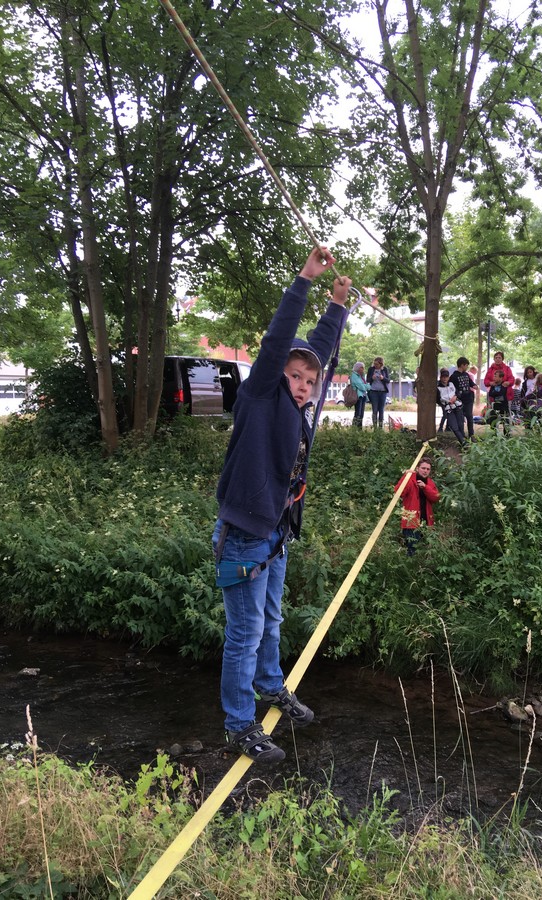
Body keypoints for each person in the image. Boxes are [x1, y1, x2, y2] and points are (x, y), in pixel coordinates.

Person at [213, 246, 351, 764]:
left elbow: (320, 348)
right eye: (295, 376)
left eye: (309, 381)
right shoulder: (260, 396)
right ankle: (239, 724)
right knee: (244, 634)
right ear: (276, 375)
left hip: (276, 533)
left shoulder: (301, 404)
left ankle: (271, 686)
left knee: (270, 622)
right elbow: (279, 343)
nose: (303, 386)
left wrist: (338, 306)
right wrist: (306, 280)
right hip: (245, 536)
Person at [395, 457, 440, 555]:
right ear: (417, 468)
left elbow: (436, 497)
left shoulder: (430, 482)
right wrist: (406, 476)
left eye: (428, 469)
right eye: (423, 468)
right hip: (411, 522)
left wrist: (425, 487)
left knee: (425, 552)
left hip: (426, 523)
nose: (425, 471)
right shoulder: (410, 479)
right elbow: (399, 492)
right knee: (412, 551)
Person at [450, 357, 478, 441]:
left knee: (469, 416)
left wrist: (474, 386)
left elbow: (471, 383)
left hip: (469, 398)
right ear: (462, 365)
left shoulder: (466, 374)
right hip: (460, 400)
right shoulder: (454, 376)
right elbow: (452, 388)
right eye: (466, 365)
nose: (467, 367)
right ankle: (462, 435)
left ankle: (471, 434)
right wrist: (456, 395)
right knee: (460, 418)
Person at [437, 369, 467, 445]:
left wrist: (455, 397)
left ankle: (464, 441)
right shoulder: (438, 388)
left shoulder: (451, 384)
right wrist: (445, 403)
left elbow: (458, 393)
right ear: (440, 377)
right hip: (448, 408)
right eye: (443, 377)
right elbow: (437, 399)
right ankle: (463, 442)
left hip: (457, 406)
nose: (445, 378)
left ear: (448, 377)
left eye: (446, 377)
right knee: (454, 426)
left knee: (460, 424)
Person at [367, 356, 390, 429]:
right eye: (374, 364)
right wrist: (372, 378)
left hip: (383, 392)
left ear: (381, 364)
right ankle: (375, 428)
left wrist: (383, 378)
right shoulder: (371, 369)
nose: (375, 365)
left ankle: (380, 427)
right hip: (373, 392)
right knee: (374, 409)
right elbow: (367, 380)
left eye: (377, 364)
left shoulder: (384, 369)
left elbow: (388, 380)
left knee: (381, 409)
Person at [486, 368, 511, 434]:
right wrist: (496, 393)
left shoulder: (504, 385)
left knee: (505, 420)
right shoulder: (493, 385)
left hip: (503, 405)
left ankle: (507, 434)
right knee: (493, 419)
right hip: (495, 405)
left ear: (501, 378)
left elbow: (502, 392)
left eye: (496, 376)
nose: (494, 378)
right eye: (494, 376)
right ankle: (494, 433)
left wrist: (495, 393)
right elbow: (491, 394)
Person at [350, 361, 369, 428]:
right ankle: (354, 428)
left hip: (363, 395)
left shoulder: (362, 376)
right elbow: (360, 386)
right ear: (357, 368)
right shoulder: (354, 376)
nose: (363, 369)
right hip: (358, 396)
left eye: (363, 367)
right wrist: (366, 386)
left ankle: (359, 428)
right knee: (358, 413)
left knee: (361, 414)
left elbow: (365, 384)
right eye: (362, 367)